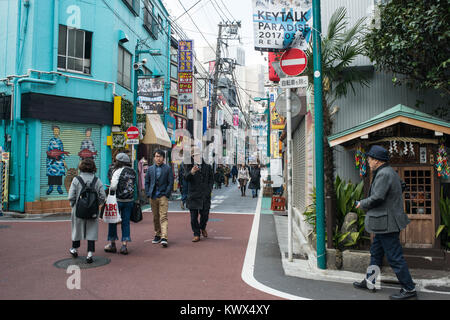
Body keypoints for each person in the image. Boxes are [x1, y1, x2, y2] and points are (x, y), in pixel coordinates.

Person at [353, 145, 416, 300]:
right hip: (384, 223)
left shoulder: (384, 174)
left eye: (370, 158)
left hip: (387, 224)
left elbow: (378, 197)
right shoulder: (389, 172)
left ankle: (409, 289)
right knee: (376, 253)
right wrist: (392, 202)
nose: (368, 161)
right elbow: (401, 186)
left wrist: (362, 203)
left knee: (394, 256)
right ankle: (370, 281)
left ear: (377, 160)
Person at [68, 158, 106, 263]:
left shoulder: (76, 180)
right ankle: (89, 254)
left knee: (77, 229)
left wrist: (73, 205)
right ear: (93, 167)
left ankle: (74, 249)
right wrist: (95, 204)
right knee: (92, 230)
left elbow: (71, 196)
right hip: (92, 210)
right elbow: (103, 196)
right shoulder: (97, 180)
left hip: (78, 209)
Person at [104, 153, 136, 255]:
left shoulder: (117, 171)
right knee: (125, 222)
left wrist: (109, 189)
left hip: (117, 200)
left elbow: (113, 186)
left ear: (119, 162)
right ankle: (124, 245)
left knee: (112, 221)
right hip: (129, 200)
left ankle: (112, 244)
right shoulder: (133, 171)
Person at [145, 149, 174, 248]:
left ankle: (164, 237)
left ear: (163, 158)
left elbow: (170, 182)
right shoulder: (150, 169)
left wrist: (166, 193)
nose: (158, 158)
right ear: (154, 158)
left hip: (163, 196)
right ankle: (157, 234)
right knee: (155, 217)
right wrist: (148, 193)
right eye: (156, 156)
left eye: (160, 156)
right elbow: (147, 182)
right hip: (153, 196)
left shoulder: (168, 169)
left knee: (163, 216)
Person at [184, 149, 214, 242]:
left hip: (204, 195)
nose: (196, 157)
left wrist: (208, 190)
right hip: (193, 195)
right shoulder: (188, 166)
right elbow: (185, 178)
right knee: (193, 217)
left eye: (198, 155)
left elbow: (211, 180)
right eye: (194, 155)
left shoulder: (208, 167)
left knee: (205, 215)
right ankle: (196, 234)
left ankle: (202, 227)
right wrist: (192, 172)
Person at [46, 125, 68, 195]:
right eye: (55, 131)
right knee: (51, 174)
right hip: (51, 161)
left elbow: (62, 151)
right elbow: (48, 151)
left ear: (59, 132)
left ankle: (59, 187)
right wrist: (48, 160)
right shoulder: (51, 141)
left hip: (59, 160)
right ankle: (50, 187)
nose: (56, 132)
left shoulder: (60, 141)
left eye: (57, 131)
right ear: (53, 132)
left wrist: (64, 161)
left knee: (59, 174)